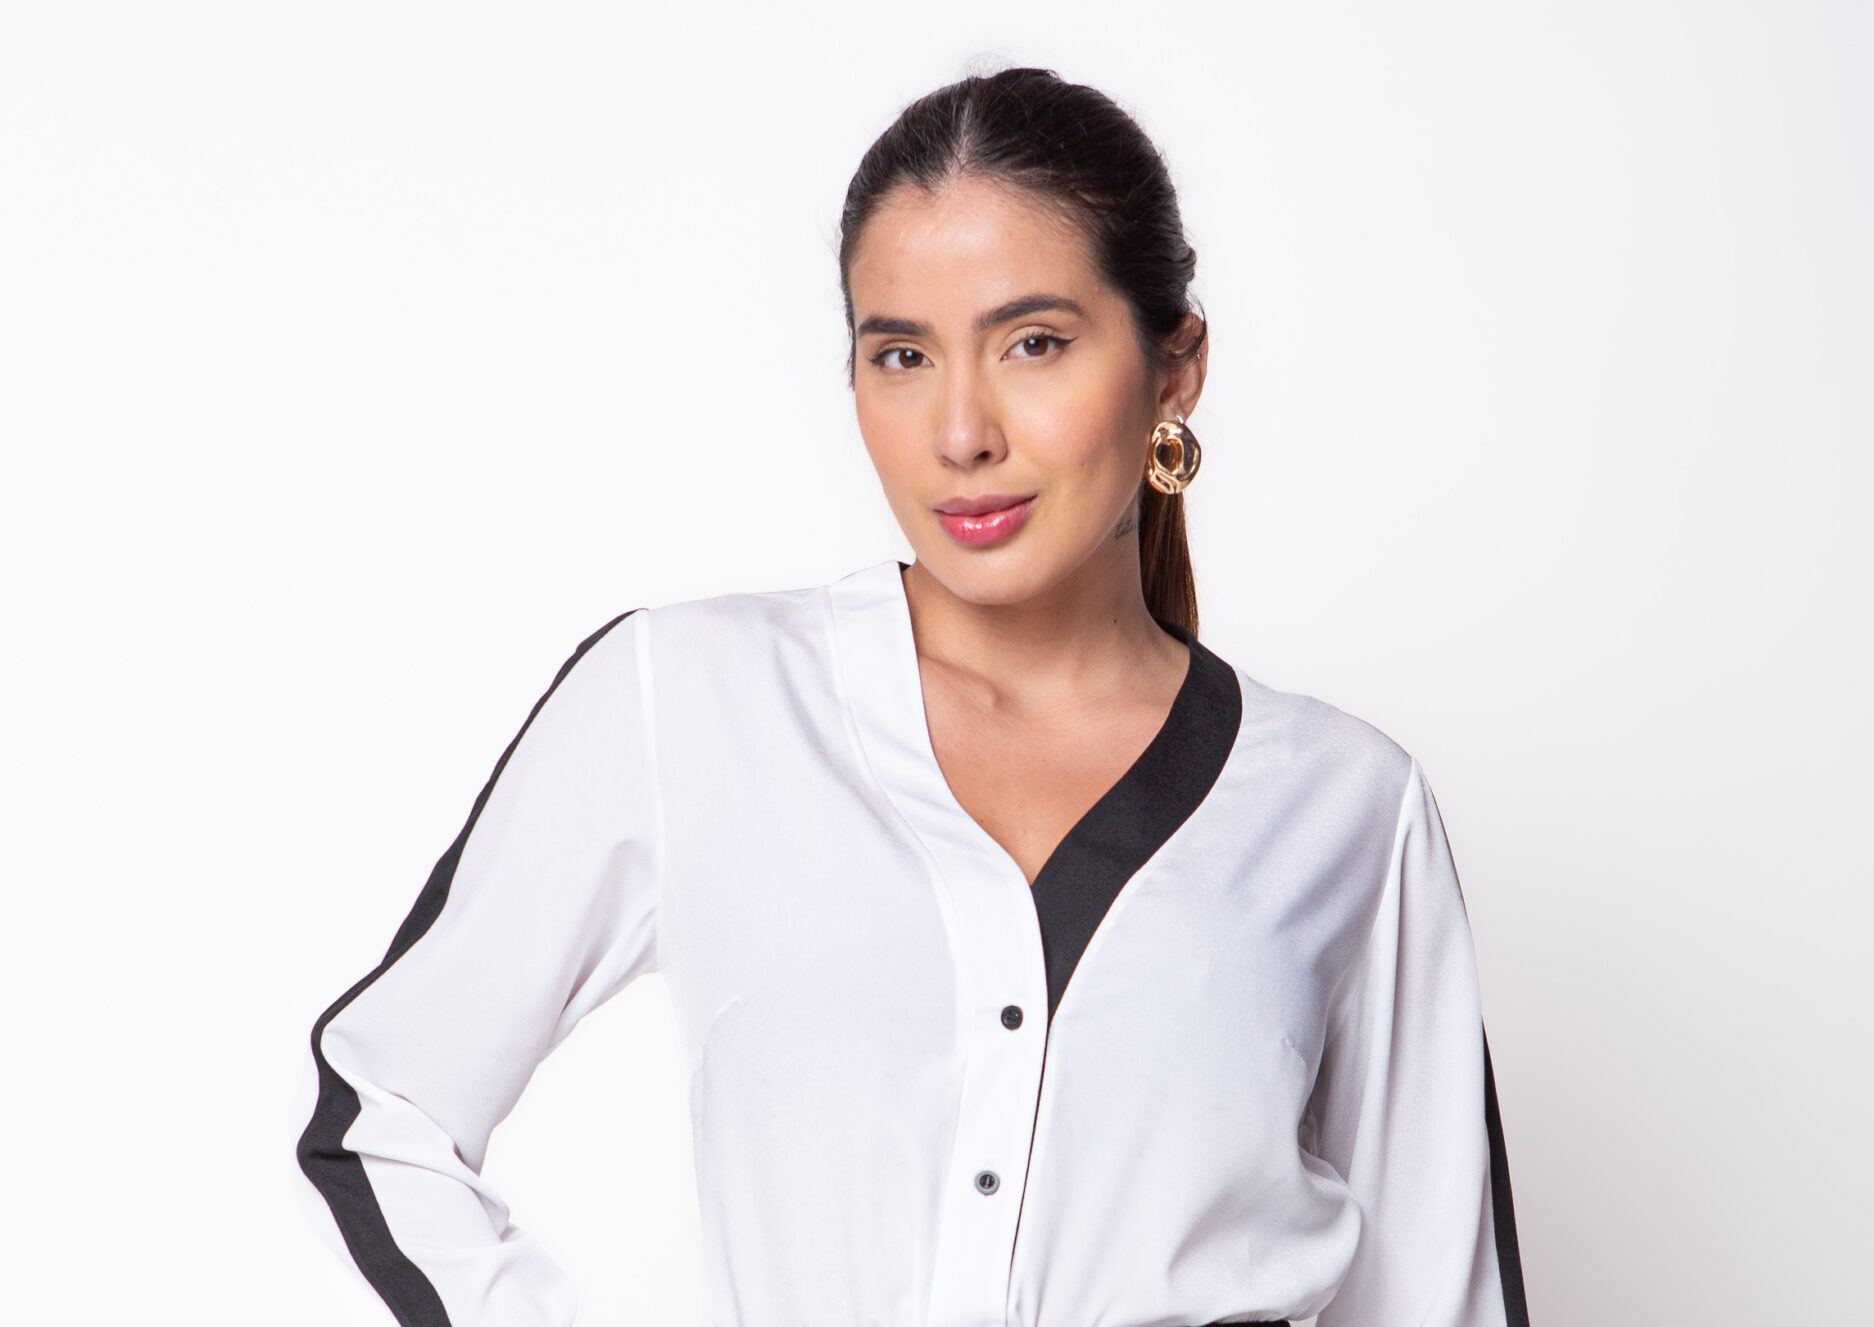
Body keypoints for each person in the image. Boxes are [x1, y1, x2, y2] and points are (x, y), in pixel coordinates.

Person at [296, 65, 1530, 1327]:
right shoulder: (691, 702)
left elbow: (1439, 1298)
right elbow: (377, 1111)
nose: (958, 432)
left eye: (1033, 343)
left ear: (1173, 369)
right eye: (901, 354)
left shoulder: (1348, 807)